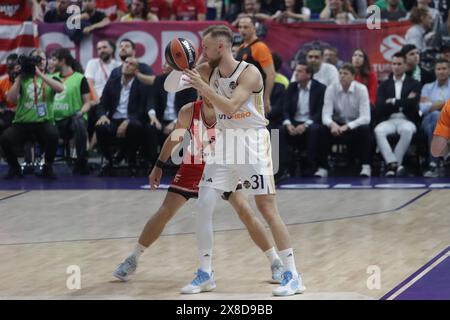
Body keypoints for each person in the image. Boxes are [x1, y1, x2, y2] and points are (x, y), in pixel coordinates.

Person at [181, 24, 305, 296]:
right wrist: (177, 64)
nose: (202, 51)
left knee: (267, 208)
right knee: (203, 203)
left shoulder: (250, 73)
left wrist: (202, 85)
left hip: (254, 141)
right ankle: (205, 273)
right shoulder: (206, 70)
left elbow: (230, 106)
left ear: (221, 47)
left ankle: (293, 275)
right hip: (225, 142)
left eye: (205, 47)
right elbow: (174, 82)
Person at [112, 98, 285, 288]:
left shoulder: (229, 110)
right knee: (165, 211)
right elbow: (174, 138)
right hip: (193, 166)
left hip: (223, 166)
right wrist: (159, 165)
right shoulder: (189, 111)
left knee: (245, 211)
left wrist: (244, 167)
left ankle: (275, 261)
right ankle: (133, 259)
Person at [0, 49, 64, 179]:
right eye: (36, 59)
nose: (40, 61)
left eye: (42, 59)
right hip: (22, 123)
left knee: (53, 134)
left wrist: (40, 74)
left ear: (46, 62)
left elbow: (60, 88)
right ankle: (15, 168)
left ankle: (47, 167)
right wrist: (18, 77)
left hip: (43, 122)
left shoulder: (51, 77)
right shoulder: (22, 79)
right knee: (5, 139)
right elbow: (11, 99)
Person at [320, 63, 372, 177]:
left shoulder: (361, 89)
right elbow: (326, 115)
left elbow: (366, 118)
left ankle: (366, 166)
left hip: (354, 125)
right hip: (337, 124)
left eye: (346, 73)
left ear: (353, 76)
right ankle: (323, 167)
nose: (342, 76)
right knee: (321, 129)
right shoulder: (331, 88)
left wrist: (348, 126)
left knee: (365, 129)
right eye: (340, 73)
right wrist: (332, 124)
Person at [374, 52, 421, 177]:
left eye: (399, 64)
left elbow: (413, 103)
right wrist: (404, 102)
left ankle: (393, 164)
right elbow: (380, 106)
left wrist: (393, 101)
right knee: (378, 130)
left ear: (405, 65)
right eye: (394, 64)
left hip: (407, 119)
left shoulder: (414, 83)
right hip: (389, 119)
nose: (396, 67)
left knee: (407, 130)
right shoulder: (384, 85)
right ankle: (393, 163)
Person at [51, 48, 91, 175]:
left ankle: (81, 162)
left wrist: (81, 112)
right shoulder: (51, 78)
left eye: (54, 59)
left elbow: (87, 102)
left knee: (78, 123)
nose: (51, 62)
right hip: (54, 120)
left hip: (72, 119)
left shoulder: (80, 78)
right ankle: (45, 165)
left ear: (62, 61)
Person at [236, 16, 276, 113]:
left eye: (246, 27)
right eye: (240, 27)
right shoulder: (241, 47)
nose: (242, 30)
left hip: (256, 98)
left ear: (254, 28)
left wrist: (266, 98)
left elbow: (271, 74)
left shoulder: (260, 47)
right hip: (243, 97)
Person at [419, 59, 450, 177]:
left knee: (436, 119)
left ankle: (433, 162)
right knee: (435, 117)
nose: (441, 72)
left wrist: (433, 104)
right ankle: (445, 154)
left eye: (444, 69)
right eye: (439, 69)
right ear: (435, 71)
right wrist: (445, 103)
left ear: (449, 70)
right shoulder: (427, 87)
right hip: (427, 121)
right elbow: (422, 108)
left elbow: (429, 106)